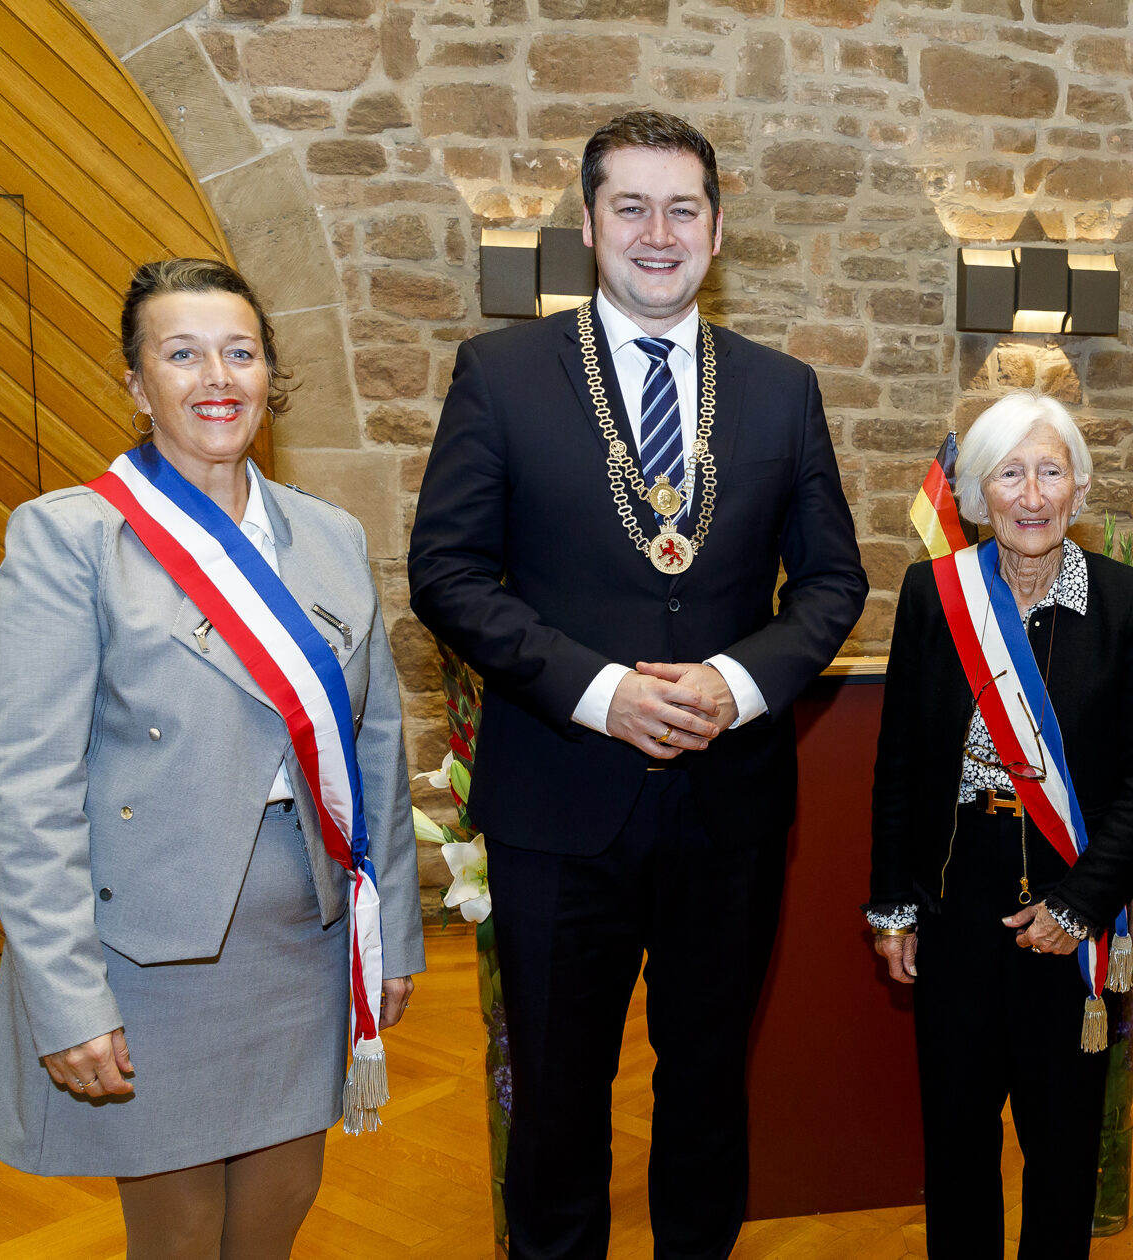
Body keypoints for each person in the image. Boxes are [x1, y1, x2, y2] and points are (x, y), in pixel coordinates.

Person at [408, 110, 867, 1259]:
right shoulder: (503, 375)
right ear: (588, 223)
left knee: (710, 1088)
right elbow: (447, 575)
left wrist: (733, 680)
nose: (658, 233)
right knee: (560, 1100)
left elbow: (831, 583)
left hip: (731, 808)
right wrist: (599, 690)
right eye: (632, 207)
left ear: (718, 229)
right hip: (559, 804)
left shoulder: (781, 389)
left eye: (683, 209)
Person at [0, 257, 424, 1258]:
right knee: (178, 1239)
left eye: (240, 352)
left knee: (278, 1214)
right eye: (181, 355)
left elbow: (376, 751)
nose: (216, 377)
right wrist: (67, 992)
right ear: (139, 386)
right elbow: (29, 794)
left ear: (268, 375)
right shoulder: (69, 541)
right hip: (147, 953)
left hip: (302, 938)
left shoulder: (329, 536)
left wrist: (388, 927)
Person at [866, 391, 1133, 1258]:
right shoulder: (934, 593)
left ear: (1078, 486)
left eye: (1050, 471)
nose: (1031, 496)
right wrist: (892, 905)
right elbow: (900, 764)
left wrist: (1080, 906)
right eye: (1009, 474)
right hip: (956, 889)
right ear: (975, 492)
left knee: (1061, 1140)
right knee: (957, 1134)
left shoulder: (1126, 602)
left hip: (1072, 888)